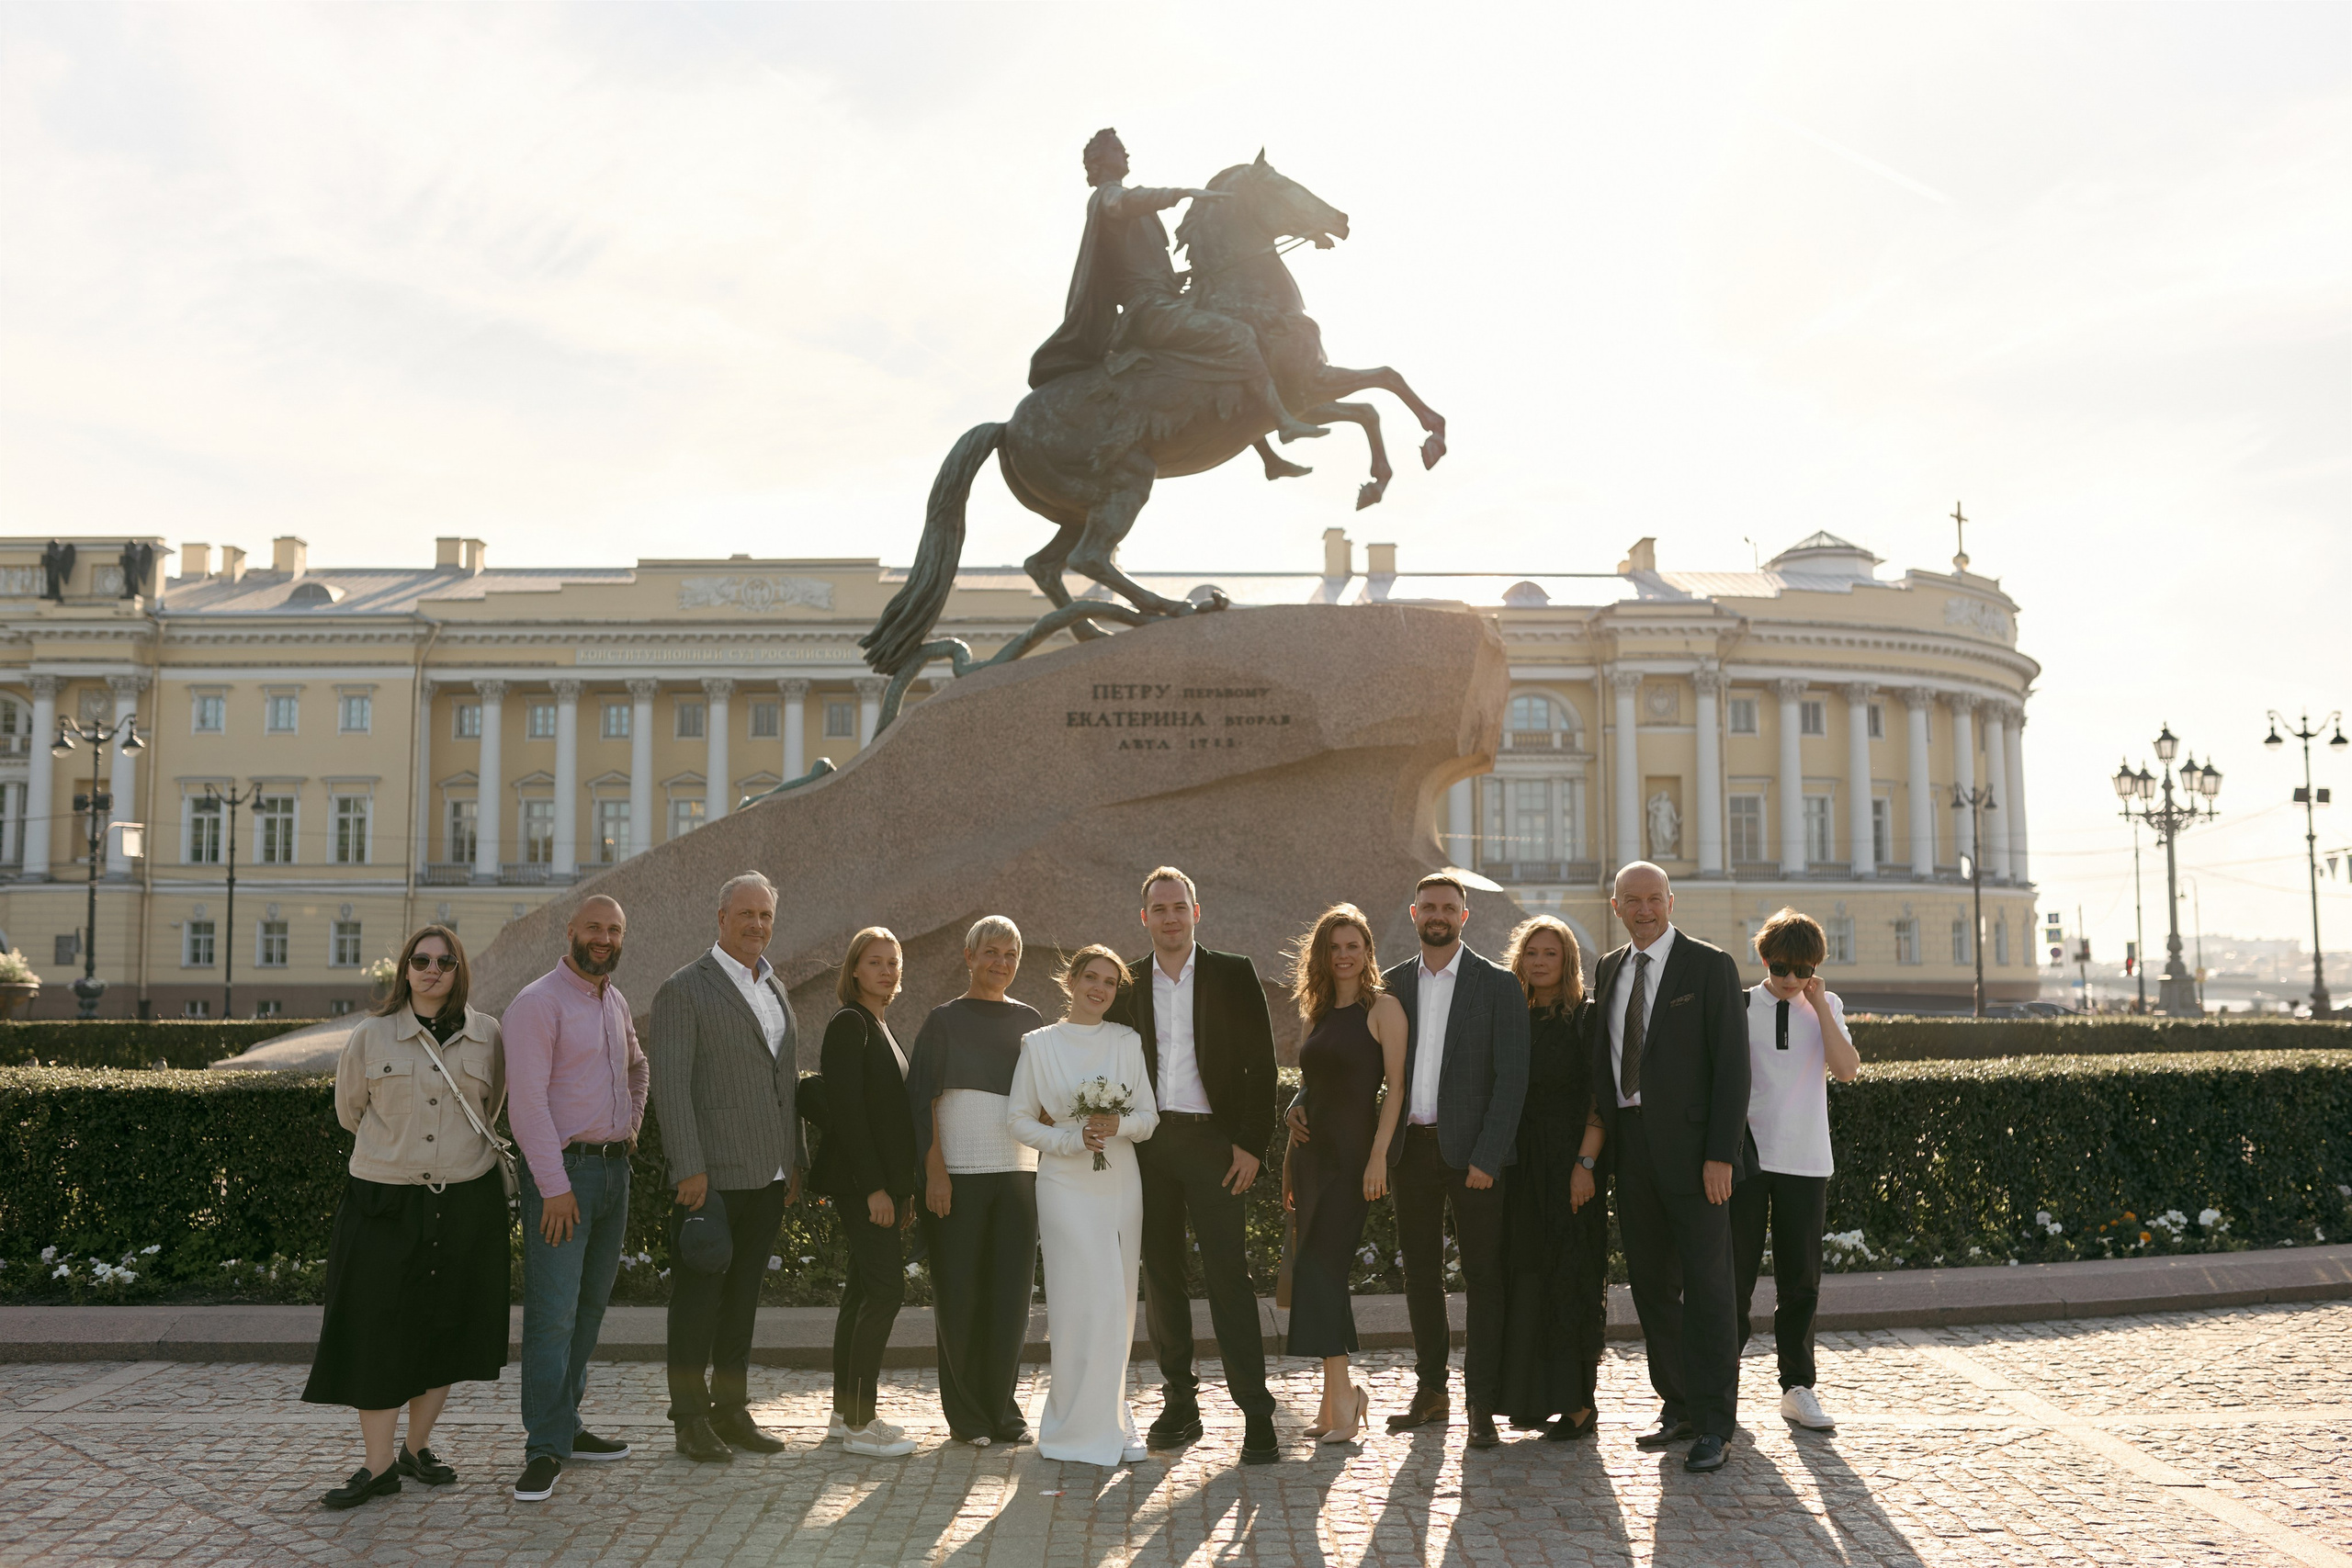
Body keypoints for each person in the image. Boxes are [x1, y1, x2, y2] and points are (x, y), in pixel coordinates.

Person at [1295, 873, 1529, 1446]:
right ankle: (1431, 1391)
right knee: (1420, 1275)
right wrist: (1300, 1100)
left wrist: (1488, 1155)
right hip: (1409, 1151)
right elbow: (1344, 1060)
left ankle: (1481, 1403)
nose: (1438, 915)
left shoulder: (1497, 984)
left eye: (1448, 907)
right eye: (1428, 907)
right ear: (1414, 914)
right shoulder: (1392, 984)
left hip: (1473, 1157)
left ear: (1464, 915)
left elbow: (1512, 1080)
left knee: (1482, 1277)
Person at [304, 924, 509, 1510]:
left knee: (446, 1324)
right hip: (383, 1201)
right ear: (405, 969)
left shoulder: (487, 1035)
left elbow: (493, 1107)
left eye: (445, 962)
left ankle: (415, 1449)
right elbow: (350, 1110)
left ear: (459, 970)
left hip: (464, 1200)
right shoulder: (370, 1035)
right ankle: (378, 1467)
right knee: (377, 1330)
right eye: (421, 960)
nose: (432, 970)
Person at [1106, 866, 1282, 1463]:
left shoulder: (1233, 974)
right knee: (1162, 1278)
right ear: (1144, 918)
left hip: (1216, 1147)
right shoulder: (1127, 984)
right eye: (1159, 908)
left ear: (1196, 912)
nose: (1170, 917)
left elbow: (1262, 1064)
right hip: (1150, 1146)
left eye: (1179, 906)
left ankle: (1256, 1411)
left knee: (1229, 1275)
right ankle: (1180, 1403)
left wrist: (1252, 1144)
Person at [1589, 862, 1752, 1474]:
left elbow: (1733, 1067)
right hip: (1631, 1152)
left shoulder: (1709, 966)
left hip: (1696, 1155)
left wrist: (1721, 1154)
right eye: (1632, 900)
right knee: (1653, 1287)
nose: (1644, 909)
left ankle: (1715, 1423)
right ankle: (1678, 1404)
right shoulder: (1609, 969)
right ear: (1616, 906)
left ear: (1670, 901)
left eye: (1654, 898)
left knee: (1709, 1290)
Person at [1028, 128, 1327, 446]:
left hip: (1163, 300)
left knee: (1233, 326)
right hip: (1148, 311)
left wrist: (1178, 278)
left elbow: (1143, 267)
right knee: (1238, 335)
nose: (1125, 154)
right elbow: (1125, 203)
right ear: (1099, 162)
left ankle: (1267, 453)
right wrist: (1179, 194)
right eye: (1117, 150)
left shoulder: (1129, 205)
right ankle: (1282, 421)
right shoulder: (1107, 197)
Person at [648, 871, 806, 1464]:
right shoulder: (684, 989)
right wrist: (689, 1167)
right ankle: (689, 1419)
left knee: (742, 1302)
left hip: (767, 1177)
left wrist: (793, 1161)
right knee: (697, 1303)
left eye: (765, 915)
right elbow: (670, 1086)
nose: (756, 924)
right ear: (721, 918)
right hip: (709, 1179)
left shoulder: (776, 988)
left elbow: (785, 1084)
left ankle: (730, 1409)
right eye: (746, 914)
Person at [503, 894, 648, 1503]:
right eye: (594, 926)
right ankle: (543, 1446)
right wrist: (554, 1187)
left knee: (587, 1311)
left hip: (614, 1175)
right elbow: (526, 1105)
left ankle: (567, 1424)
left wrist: (632, 1123)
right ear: (571, 930)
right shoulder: (537, 1003)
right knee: (554, 1313)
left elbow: (639, 1067)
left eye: (614, 929)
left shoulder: (614, 1000)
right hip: (564, 1177)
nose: (604, 937)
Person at [1008, 944, 1161, 1466]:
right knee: (1076, 1301)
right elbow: (1019, 1119)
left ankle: (1116, 1413)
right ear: (1071, 980)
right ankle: (1072, 1422)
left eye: (1110, 982)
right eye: (1091, 977)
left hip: (1119, 1183)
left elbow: (1149, 1118)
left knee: (1116, 1298)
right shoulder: (1038, 1045)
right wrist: (1070, 1140)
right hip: (1063, 1186)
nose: (1100, 988)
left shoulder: (1125, 1042)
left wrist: (1118, 1125)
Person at [906, 917, 1044, 1448]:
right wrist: (935, 1172)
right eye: (991, 952)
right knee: (960, 1296)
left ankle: (1002, 1410)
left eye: (1010, 954)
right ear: (969, 957)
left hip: (1020, 1177)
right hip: (958, 1179)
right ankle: (967, 1417)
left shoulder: (1031, 1022)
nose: (1001, 963)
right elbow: (924, 1102)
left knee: (1011, 1300)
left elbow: (1043, 1101)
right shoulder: (943, 1021)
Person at [1280, 904, 1408, 1445]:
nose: (1344, 955)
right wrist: (1291, 1126)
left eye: (1353, 945)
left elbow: (1396, 1089)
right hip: (1310, 1158)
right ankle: (1337, 1399)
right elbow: (1313, 1085)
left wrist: (1379, 1156)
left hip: (1354, 1158)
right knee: (1312, 1269)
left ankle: (1344, 1400)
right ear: (1323, 955)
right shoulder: (1316, 1012)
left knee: (1324, 1269)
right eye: (1334, 947)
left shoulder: (1384, 1009)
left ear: (1367, 950)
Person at [1731, 908, 1860, 1435]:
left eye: (1802, 970)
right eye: (1781, 967)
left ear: (1816, 969)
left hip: (1806, 1159)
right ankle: (1720, 1384)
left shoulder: (1826, 1005)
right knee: (1733, 1277)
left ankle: (1797, 1387)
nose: (1789, 979)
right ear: (1764, 959)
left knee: (1801, 1281)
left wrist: (1819, 1004)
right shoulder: (1739, 1006)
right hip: (1745, 1158)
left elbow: (1847, 1070)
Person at [1494, 917, 1609, 1440]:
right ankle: (1533, 1399)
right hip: (1521, 1169)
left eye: (1551, 953)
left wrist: (1585, 1165)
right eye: (1531, 952)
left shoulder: (1586, 1017)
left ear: (1568, 962)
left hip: (1569, 1168)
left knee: (1569, 1278)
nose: (1540, 962)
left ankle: (1579, 1406)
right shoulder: (1513, 1015)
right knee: (1527, 1279)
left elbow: (1599, 1098)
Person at [811, 927, 921, 1457]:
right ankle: (860, 1423)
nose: (886, 970)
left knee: (860, 1294)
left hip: (881, 1188)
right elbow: (850, 1116)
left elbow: (890, 1119)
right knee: (885, 1292)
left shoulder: (880, 1025)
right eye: (875, 962)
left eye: (893, 962)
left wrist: (903, 1191)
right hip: (860, 1186)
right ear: (854, 969)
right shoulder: (849, 1024)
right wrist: (876, 1189)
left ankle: (843, 1416)